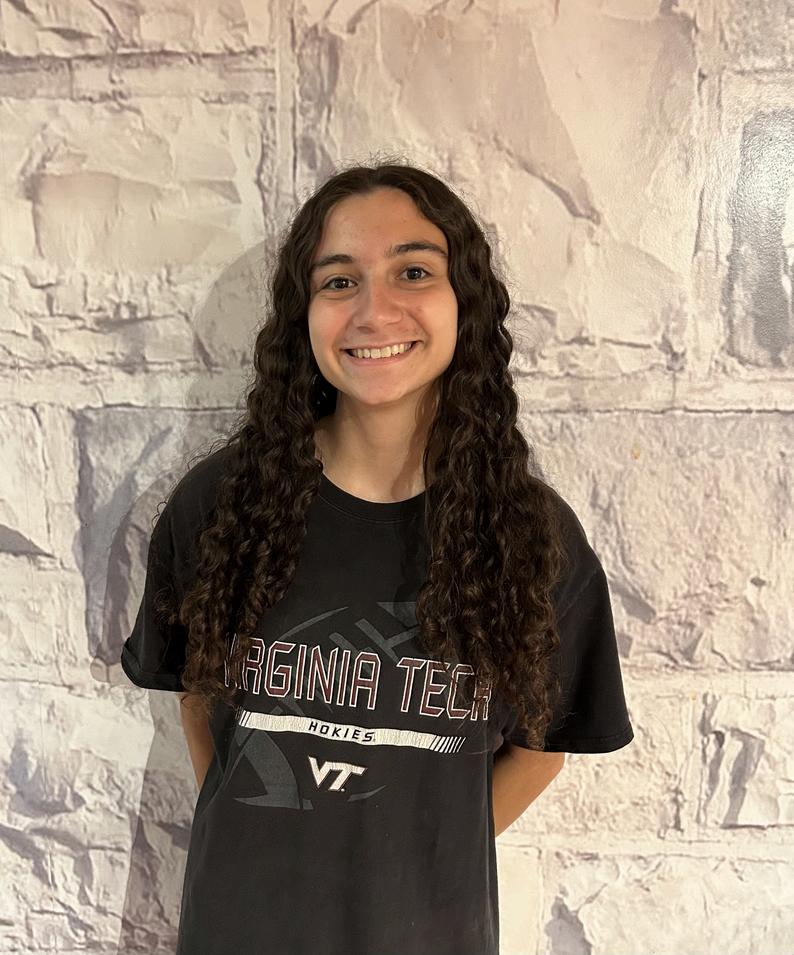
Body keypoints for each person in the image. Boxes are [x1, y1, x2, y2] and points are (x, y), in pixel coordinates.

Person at [120, 160, 634, 955]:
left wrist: (415, 858)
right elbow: (198, 700)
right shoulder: (221, 506)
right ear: (305, 313)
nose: (374, 309)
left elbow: (542, 751)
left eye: (413, 271)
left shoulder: (534, 539)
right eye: (339, 281)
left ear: (465, 300)